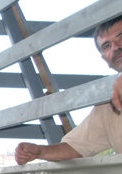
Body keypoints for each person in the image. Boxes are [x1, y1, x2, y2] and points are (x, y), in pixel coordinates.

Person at [15, 15, 122, 164]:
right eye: (106, 46)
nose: (115, 47)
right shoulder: (107, 104)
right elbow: (77, 147)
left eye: (121, 36)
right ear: (105, 60)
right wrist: (38, 151)